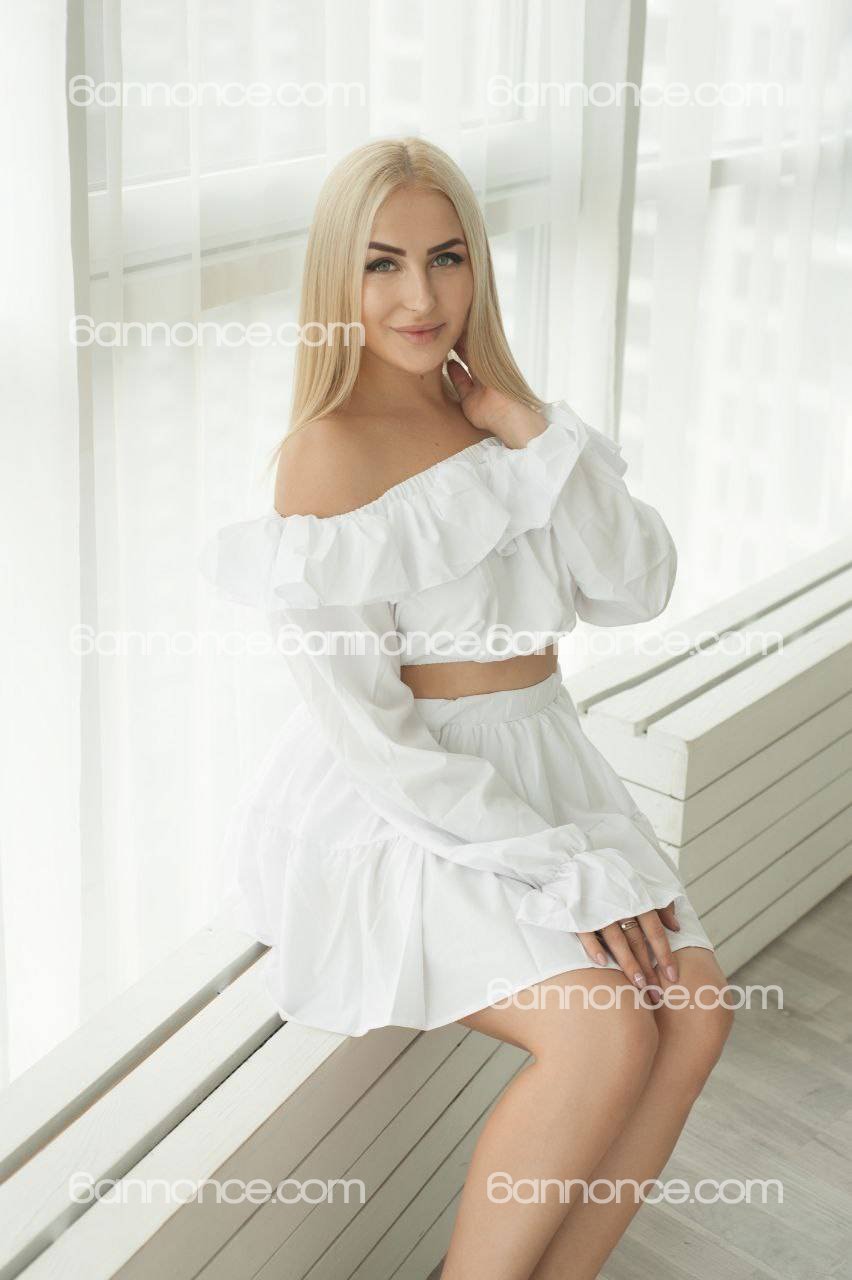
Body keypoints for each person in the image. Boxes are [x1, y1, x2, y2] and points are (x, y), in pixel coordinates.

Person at [198, 136, 733, 1280]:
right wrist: (562, 865)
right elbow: (367, 726)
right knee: (602, 1034)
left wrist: (535, 430)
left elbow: (634, 585)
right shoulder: (326, 456)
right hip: (412, 799)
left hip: (549, 762)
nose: (421, 297)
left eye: (447, 258)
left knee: (695, 1011)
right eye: (382, 263)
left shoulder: (504, 419)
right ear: (338, 278)